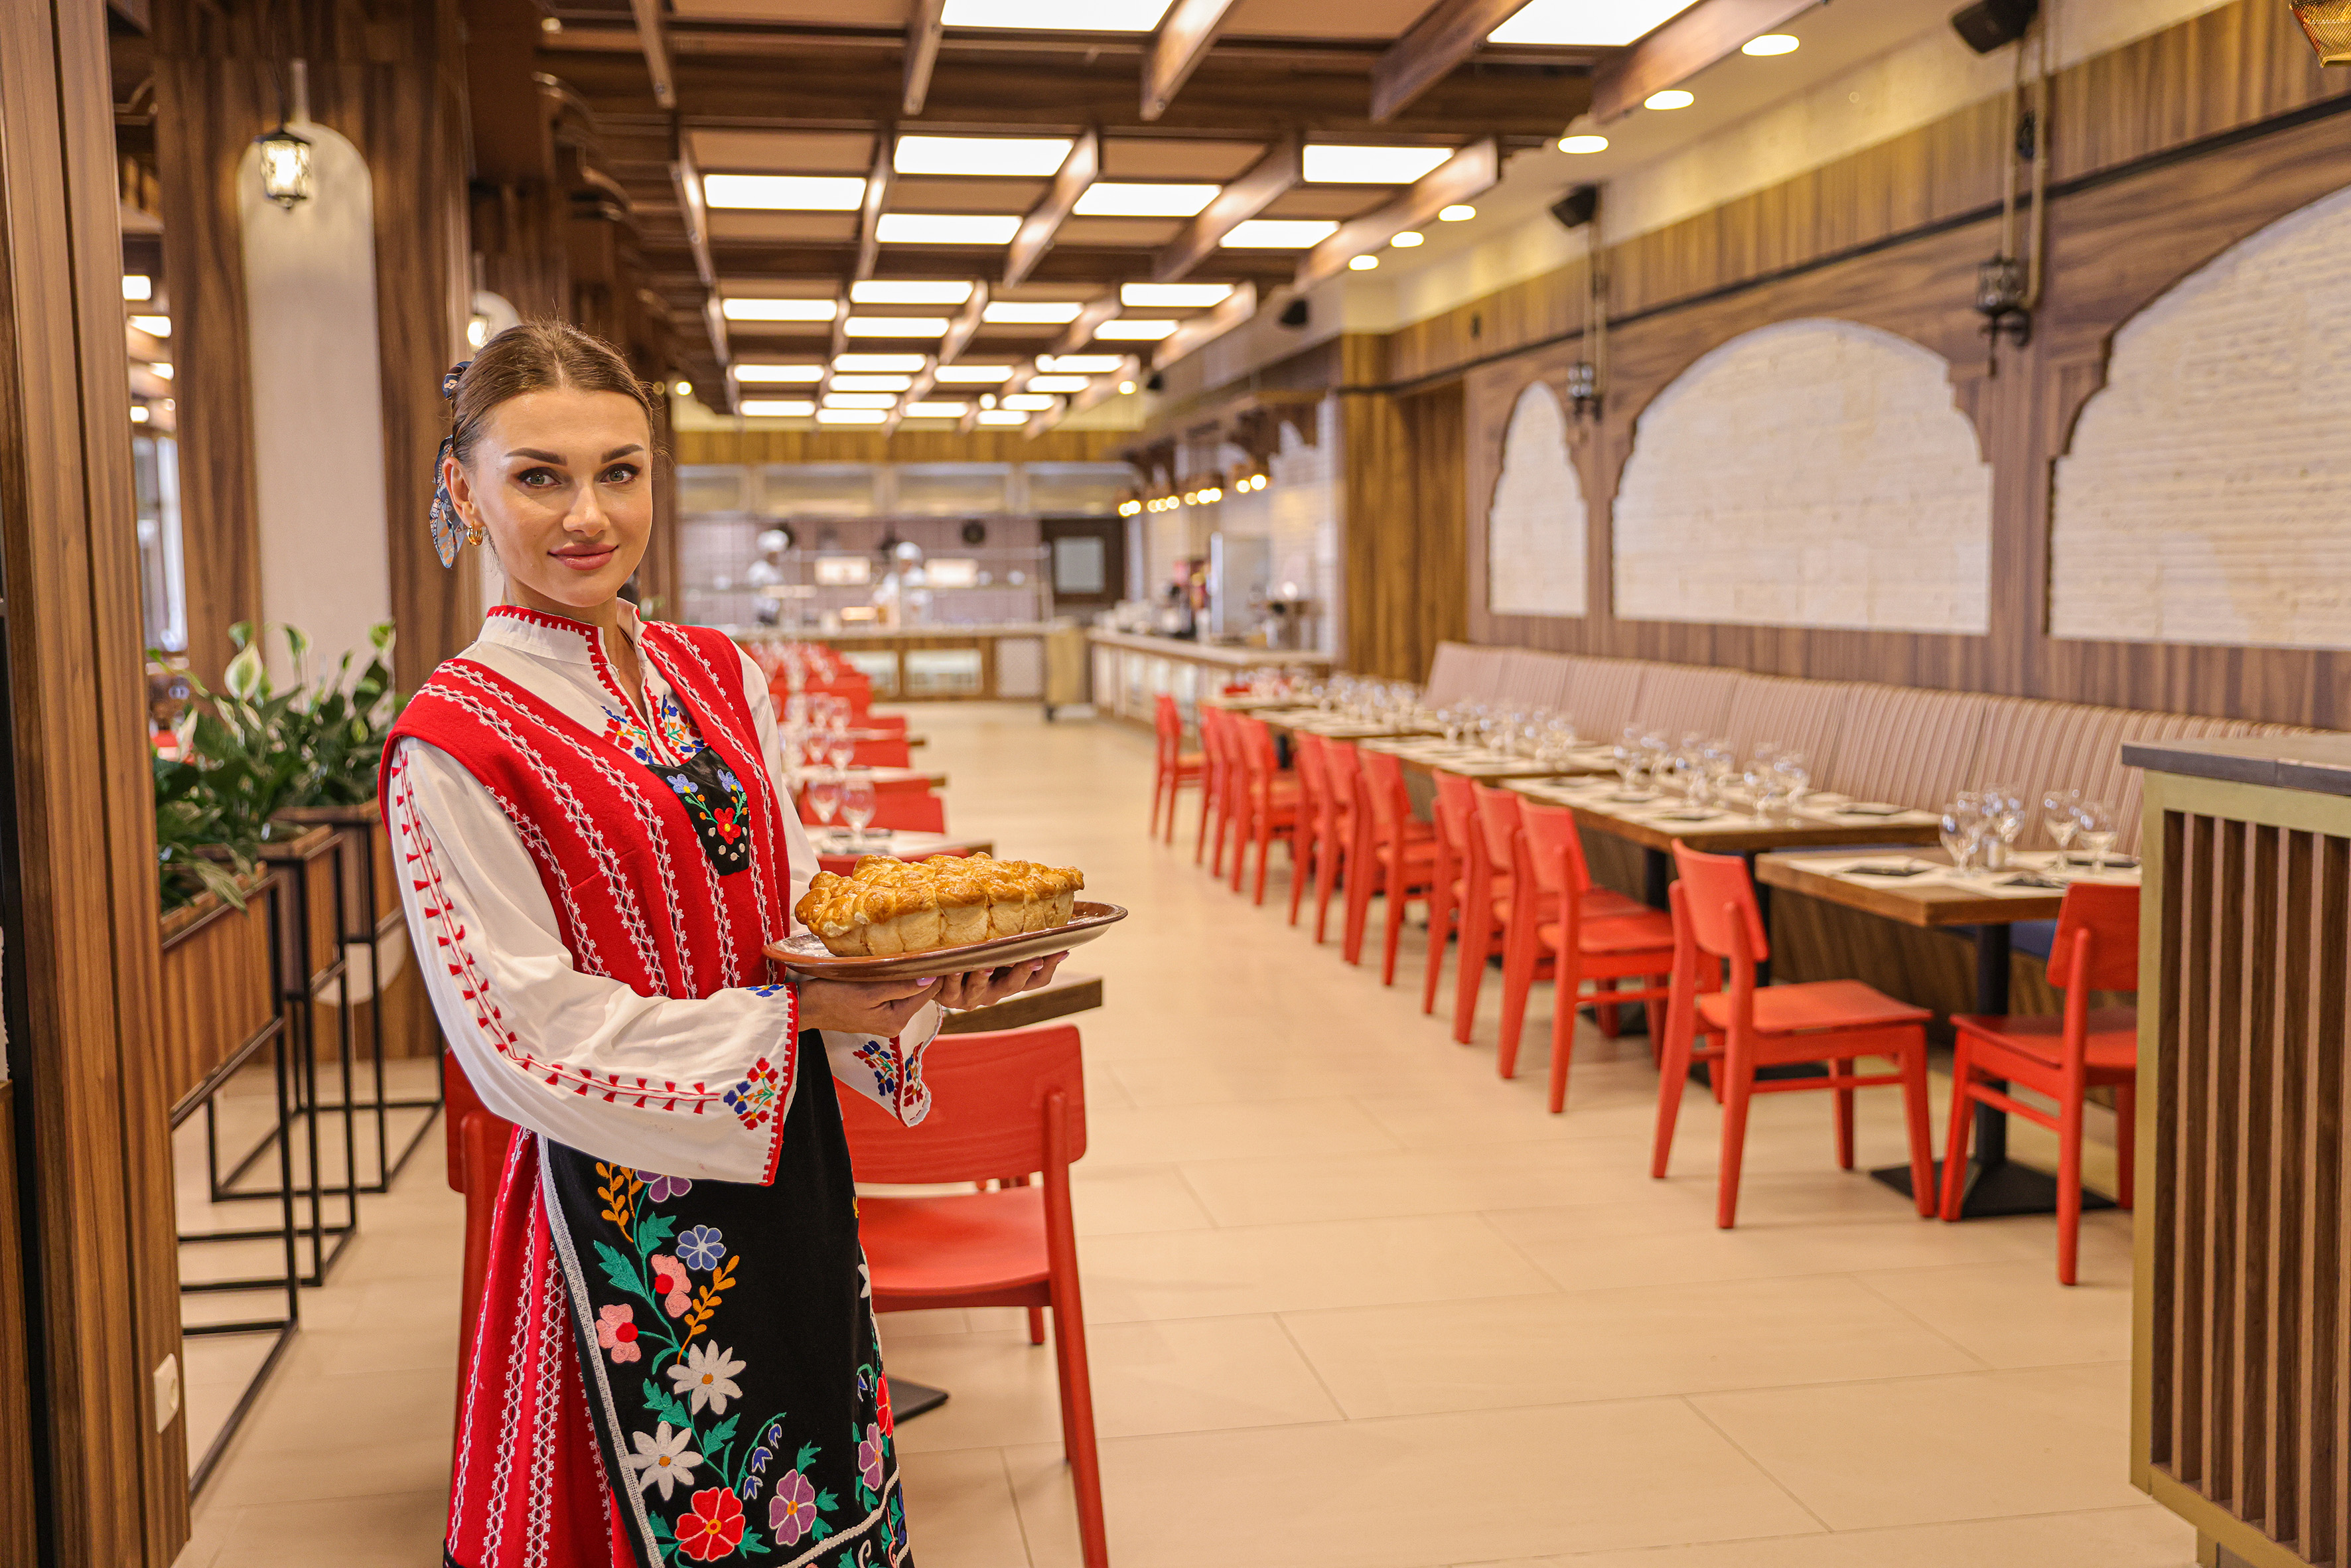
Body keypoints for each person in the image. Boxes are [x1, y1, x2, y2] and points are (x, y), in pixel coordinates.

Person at [388, 322, 1062, 1568]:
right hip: (613, 1219)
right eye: (539, 474)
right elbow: (517, 1039)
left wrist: (920, 977)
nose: (589, 514)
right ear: (462, 488)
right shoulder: (454, 739)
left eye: (622, 470)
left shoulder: (717, 670)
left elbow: (796, 909)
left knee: (815, 1496)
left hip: (787, 1163)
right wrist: (796, 1024)